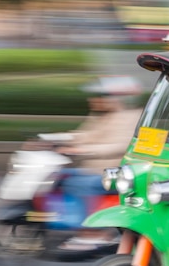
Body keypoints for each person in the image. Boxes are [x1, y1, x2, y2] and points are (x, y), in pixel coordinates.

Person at [54, 76, 143, 250]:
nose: (94, 100)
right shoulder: (101, 116)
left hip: (115, 173)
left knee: (81, 183)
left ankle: (93, 232)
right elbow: (83, 135)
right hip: (94, 169)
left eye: (100, 96)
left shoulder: (131, 118)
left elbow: (120, 146)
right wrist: (53, 139)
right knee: (58, 178)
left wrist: (85, 151)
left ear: (117, 98)